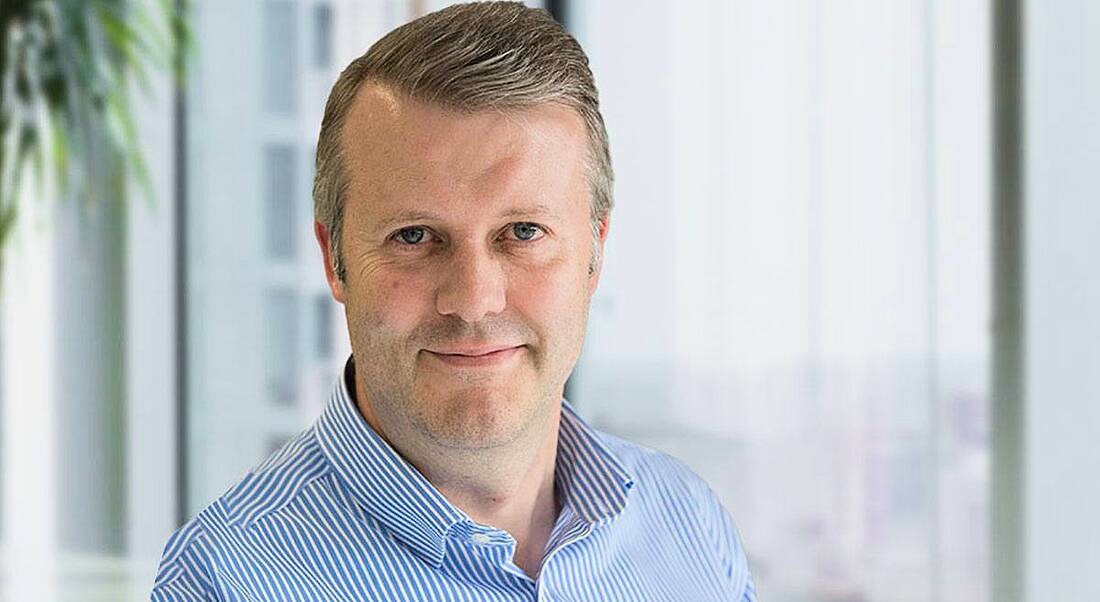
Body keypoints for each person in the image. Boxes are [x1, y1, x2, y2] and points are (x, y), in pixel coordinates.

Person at [152, 2, 755, 600]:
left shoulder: (687, 524)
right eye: (413, 236)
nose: (473, 300)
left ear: (595, 249)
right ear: (332, 256)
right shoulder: (226, 579)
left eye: (522, 233)